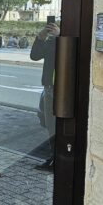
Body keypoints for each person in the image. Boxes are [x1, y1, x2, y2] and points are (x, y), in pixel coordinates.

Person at [31, 17, 60, 170]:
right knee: (49, 124)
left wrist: (59, 36)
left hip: (61, 89)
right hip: (49, 88)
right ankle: (54, 157)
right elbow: (34, 55)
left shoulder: (62, 40)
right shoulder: (51, 42)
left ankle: (57, 159)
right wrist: (41, 36)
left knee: (57, 125)